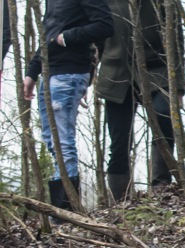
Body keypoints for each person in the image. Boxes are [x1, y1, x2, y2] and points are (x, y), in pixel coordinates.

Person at [23, 0, 114, 211]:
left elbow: (105, 26)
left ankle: (66, 212)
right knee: (52, 140)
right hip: (50, 72)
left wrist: (68, 38)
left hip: (69, 72)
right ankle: (63, 212)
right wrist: (31, 71)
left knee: (62, 141)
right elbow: (49, 38)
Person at [98, 0, 179, 202]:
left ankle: (161, 187)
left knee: (163, 119)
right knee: (119, 139)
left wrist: (179, 86)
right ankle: (121, 200)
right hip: (116, 74)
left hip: (157, 71)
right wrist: (87, 76)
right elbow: (95, 38)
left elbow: (176, 40)